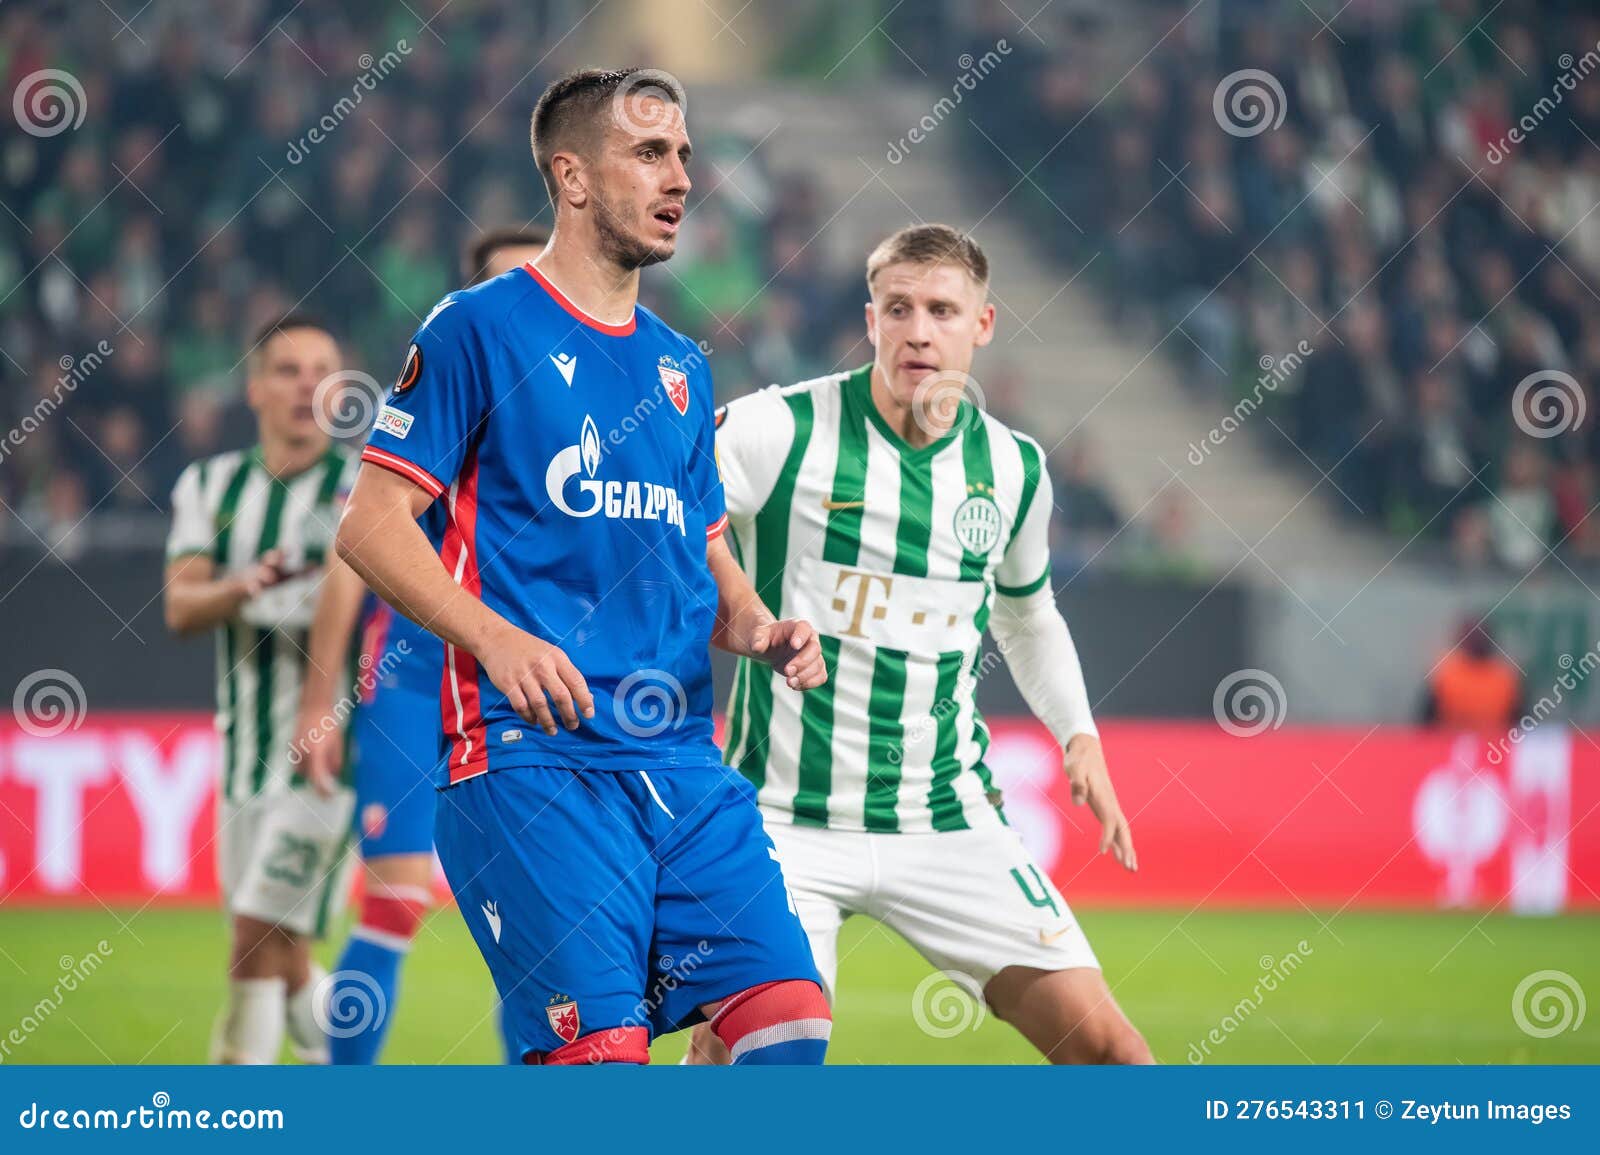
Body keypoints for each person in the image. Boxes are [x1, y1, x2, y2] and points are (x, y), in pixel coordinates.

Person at [333, 68, 831, 1065]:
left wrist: (758, 625)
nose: (680, 176)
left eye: (685, 155)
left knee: (789, 1025)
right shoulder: (479, 327)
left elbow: (703, 559)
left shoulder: (681, 367)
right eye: (650, 153)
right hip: (530, 757)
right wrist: (493, 635)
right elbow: (372, 525)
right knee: (600, 1058)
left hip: (680, 761)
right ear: (570, 176)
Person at [689, 224, 1152, 1064]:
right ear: (871, 321)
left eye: (942, 309)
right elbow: (670, 513)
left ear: (982, 324)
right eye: (899, 308)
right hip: (780, 820)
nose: (919, 331)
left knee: (1115, 1055)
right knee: (767, 1054)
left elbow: (1028, 613)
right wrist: (747, 610)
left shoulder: (1013, 468)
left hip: (945, 818)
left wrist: (1079, 736)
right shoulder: (780, 429)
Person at [295, 225, 553, 1065]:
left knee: (544, 928)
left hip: (526, 691)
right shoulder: (430, 398)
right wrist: (317, 702)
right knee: (397, 902)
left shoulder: (585, 420)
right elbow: (350, 560)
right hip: (410, 678)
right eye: (503, 284)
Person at [163, 314, 360, 1064]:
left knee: (254, 933)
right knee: (278, 956)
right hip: (243, 754)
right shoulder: (210, 485)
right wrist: (240, 587)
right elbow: (181, 606)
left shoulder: (365, 487)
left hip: (328, 757)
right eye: (287, 369)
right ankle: (340, 1059)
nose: (307, 385)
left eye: (322, 369)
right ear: (254, 388)